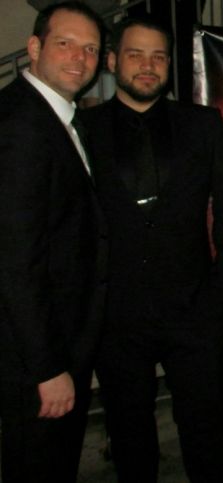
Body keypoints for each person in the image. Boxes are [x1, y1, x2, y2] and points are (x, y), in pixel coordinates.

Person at [78, 16, 223, 483]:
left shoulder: (204, 125)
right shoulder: (82, 129)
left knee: (206, 438)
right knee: (130, 439)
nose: (148, 66)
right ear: (112, 61)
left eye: (159, 56)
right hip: (116, 318)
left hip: (195, 310)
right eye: (135, 55)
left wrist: (221, 293)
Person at [0, 2, 107, 482]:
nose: (79, 58)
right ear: (34, 47)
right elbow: (14, 260)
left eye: (90, 48)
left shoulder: (57, 117)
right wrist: (47, 369)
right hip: (37, 359)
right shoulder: (20, 127)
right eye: (65, 43)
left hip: (59, 343)